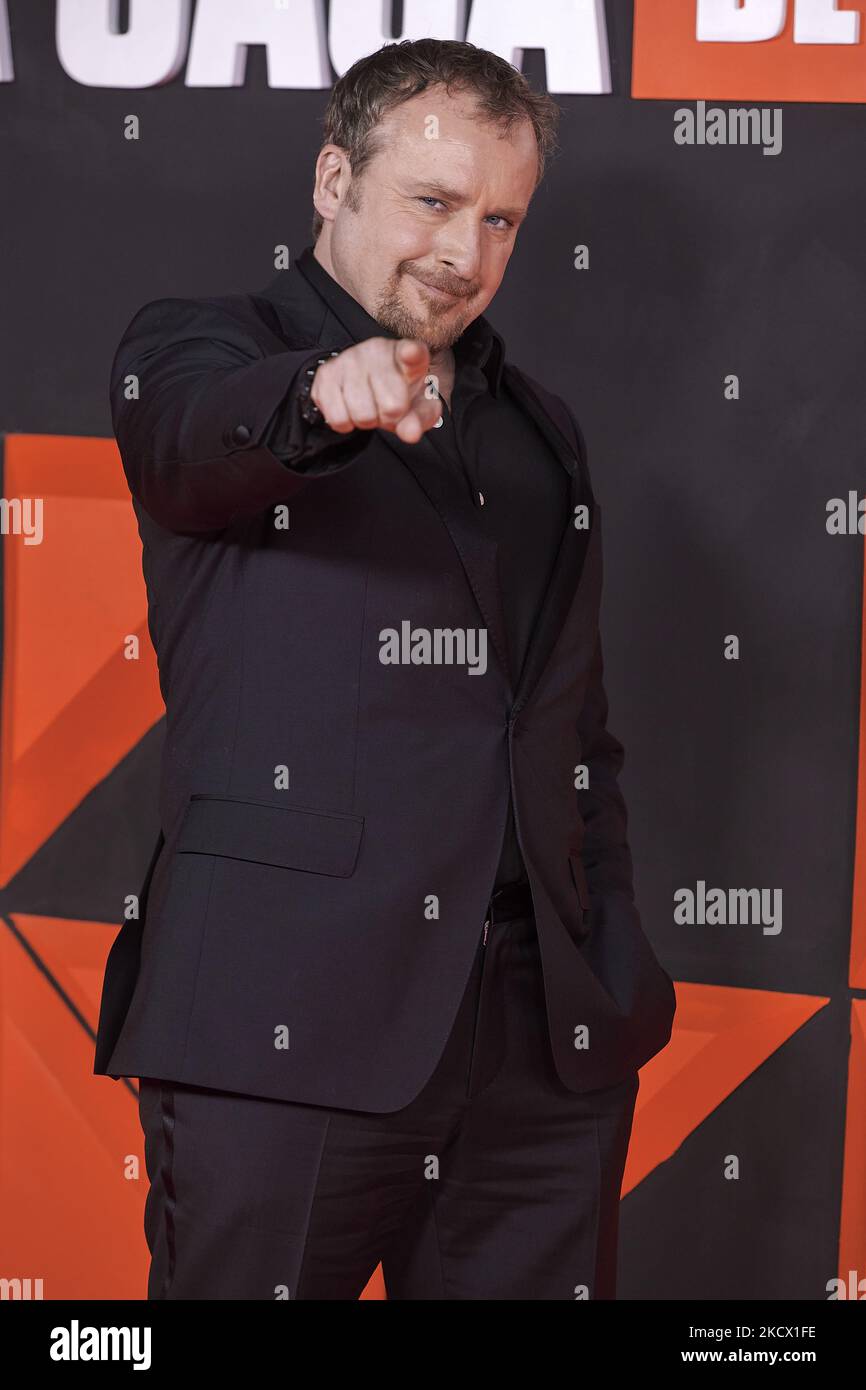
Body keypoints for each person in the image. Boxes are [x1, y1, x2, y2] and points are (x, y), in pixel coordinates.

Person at [94, 36, 676, 1301]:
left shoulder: (540, 433)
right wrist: (321, 395)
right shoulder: (204, 350)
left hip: (540, 1055)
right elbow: (195, 442)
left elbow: (573, 730)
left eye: (501, 218)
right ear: (330, 180)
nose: (465, 252)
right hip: (280, 1034)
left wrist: (609, 962)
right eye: (432, 201)